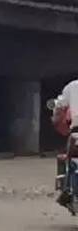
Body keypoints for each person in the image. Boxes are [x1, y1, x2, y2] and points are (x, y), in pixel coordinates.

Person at [52, 80, 78, 210]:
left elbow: (59, 107)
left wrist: (56, 118)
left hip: (76, 133)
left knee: (66, 159)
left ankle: (66, 190)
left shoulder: (72, 86)